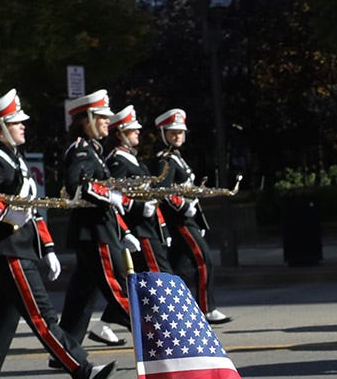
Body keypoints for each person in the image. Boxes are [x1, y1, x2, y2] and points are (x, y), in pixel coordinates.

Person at [0, 89, 115, 379]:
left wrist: (47, 247)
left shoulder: (12, 160)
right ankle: (81, 370)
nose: (23, 126)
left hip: (18, 248)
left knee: (1, 319)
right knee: (42, 316)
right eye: (16, 123)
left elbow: (31, 208)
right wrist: (6, 213)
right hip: (9, 248)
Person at [58, 90, 134, 348]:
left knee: (82, 294)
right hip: (95, 231)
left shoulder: (93, 150)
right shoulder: (82, 151)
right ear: (86, 120)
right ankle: (154, 337)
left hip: (96, 229)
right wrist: (110, 195)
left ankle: (64, 350)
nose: (106, 122)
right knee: (118, 284)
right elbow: (78, 185)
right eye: (102, 117)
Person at [151, 108, 229, 324]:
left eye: (180, 132)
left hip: (188, 217)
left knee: (175, 268)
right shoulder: (165, 160)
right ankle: (206, 308)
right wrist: (183, 207)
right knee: (203, 259)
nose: (177, 136)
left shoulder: (176, 157)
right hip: (180, 219)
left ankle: (172, 309)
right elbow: (162, 191)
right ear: (163, 133)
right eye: (173, 132)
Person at [108, 105, 172, 276]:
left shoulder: (134, 160)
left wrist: (163, 228)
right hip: (137, 227)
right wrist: (138, 207)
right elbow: (115, 197)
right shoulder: (117, 162)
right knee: (159, 275)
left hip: (148, 226)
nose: (138, 131)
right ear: (119, 134)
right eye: (132, 129)